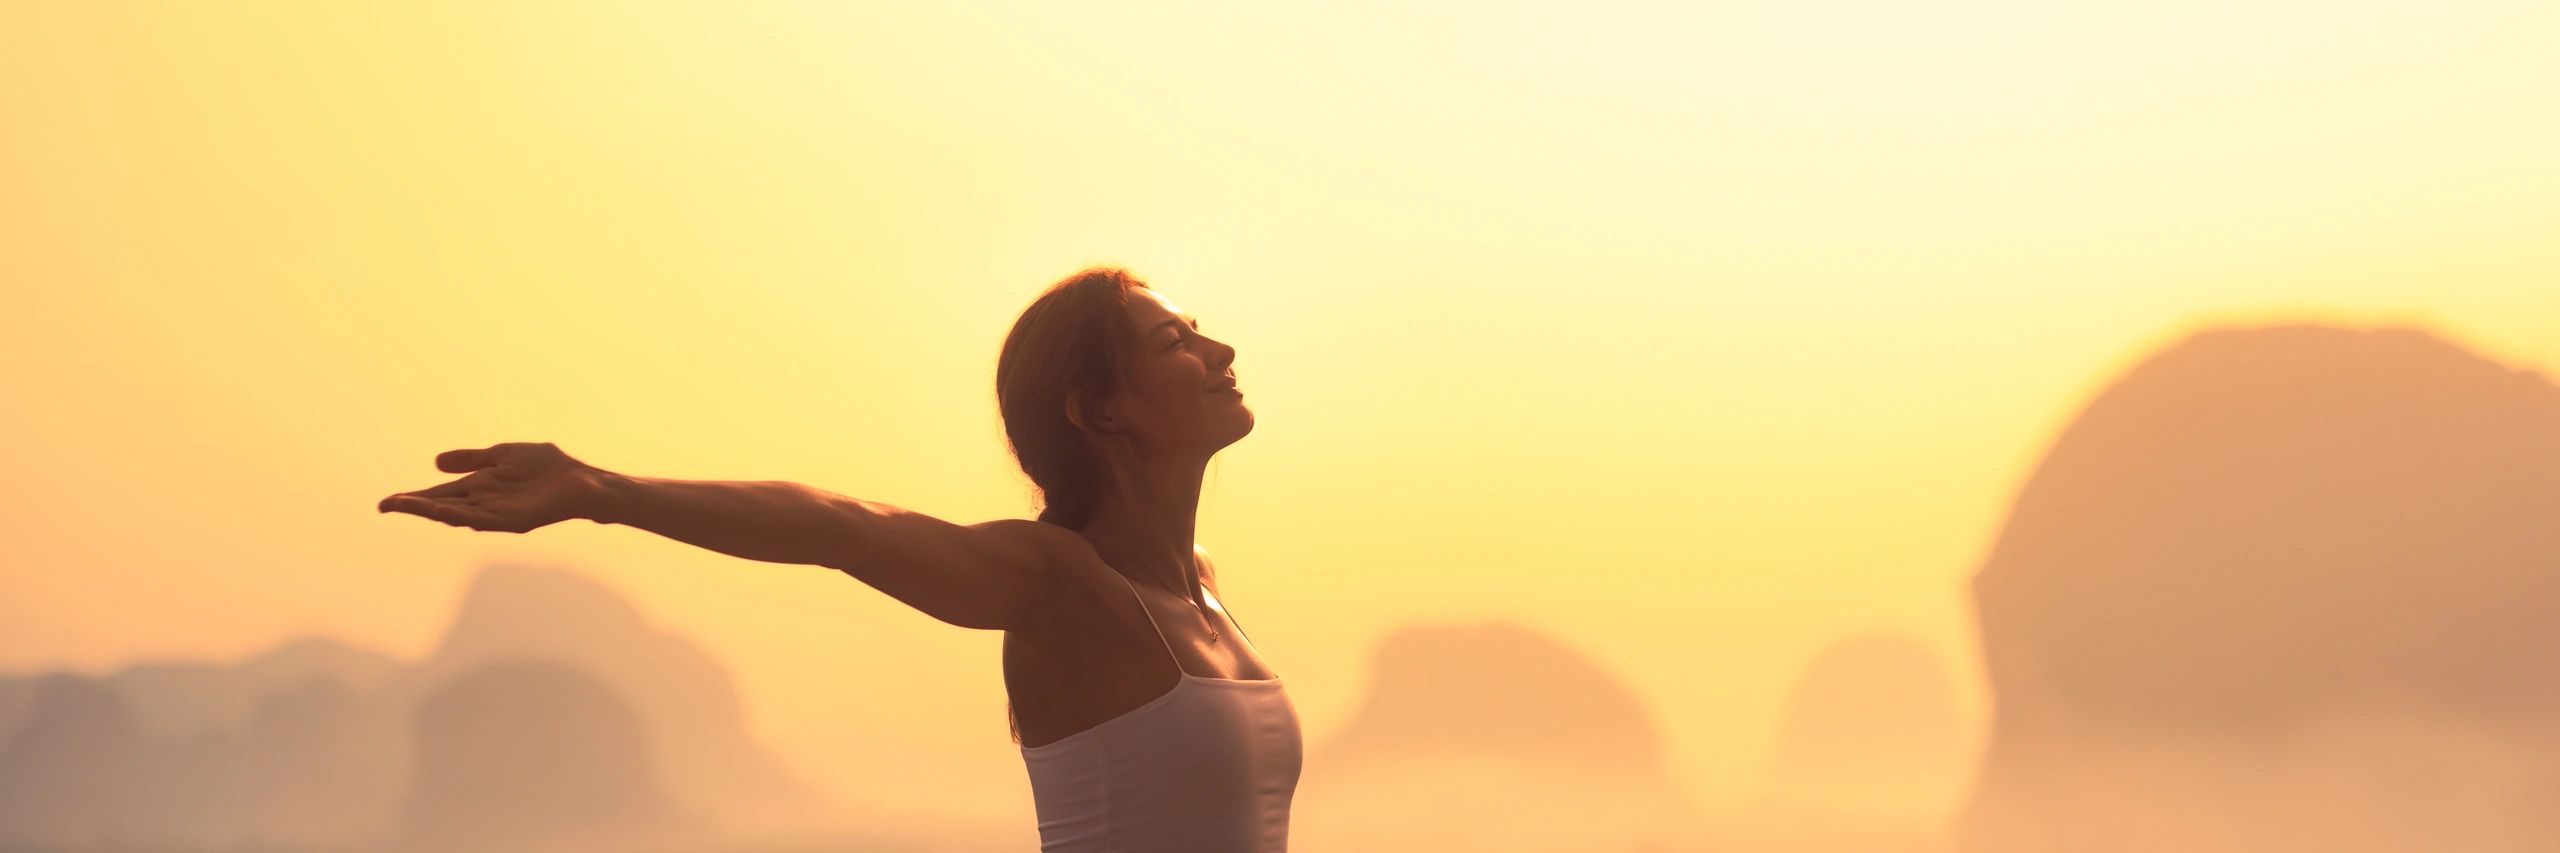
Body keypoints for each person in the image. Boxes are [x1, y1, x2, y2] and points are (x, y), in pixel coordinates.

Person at [376, 267, 1302, 851]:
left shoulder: (1203, 587)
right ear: (1098, 409)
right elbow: (840, 525)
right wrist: (601, 491)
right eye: (1176, 341)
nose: (1220, 351)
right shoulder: (1059, 582)